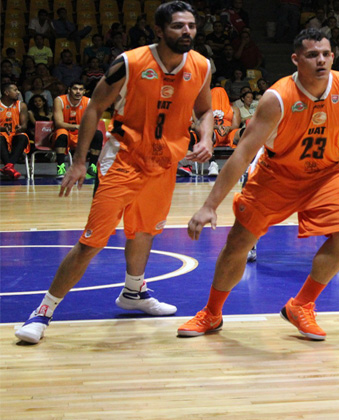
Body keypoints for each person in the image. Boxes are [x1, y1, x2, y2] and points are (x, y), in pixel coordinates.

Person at [15, 1, 215, 344]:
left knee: (145, 231)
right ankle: (42, 312)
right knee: (91, 242)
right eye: (178, 26)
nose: (187, 31)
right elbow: (95, 107)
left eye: (191, 26)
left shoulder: (202, 65)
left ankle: (134, 292)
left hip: (164, 163)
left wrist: (207, 137)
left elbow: (206, 109)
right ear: (159, 30)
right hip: (123, 159)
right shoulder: (130, 62)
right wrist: (80, 162)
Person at [177, 28, 339, 340]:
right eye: (312, 55)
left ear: (333, 56)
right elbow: (242, 154)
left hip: (326, 174)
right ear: (295, 59)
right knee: (238, 244)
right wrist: (209, 206)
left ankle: (301, 305)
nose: (321, 60)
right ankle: (211, 313)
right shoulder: (277, 98)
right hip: (276, 176)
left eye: (326, 54)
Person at [51, 81, 104, 179]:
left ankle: (92, 167)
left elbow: (92, 122)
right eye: (75, 89)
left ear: (84, 91)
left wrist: (84, 127)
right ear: (69, 90)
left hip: (81, 135)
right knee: (61, 133)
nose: (78, 92)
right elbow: (58, 123)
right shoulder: (59, 100)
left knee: (97, 134)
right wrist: (76, 127)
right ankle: (60, 167)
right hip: (65, 133)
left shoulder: (88, 102)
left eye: (81, 89)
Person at [207, 86, 241, 176]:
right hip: (214, 133)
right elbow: (204, 124)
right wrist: (216, 127)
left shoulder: (234, 109)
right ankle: (212, 163)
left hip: (229, 133)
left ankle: (247, 162)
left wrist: (228, 128)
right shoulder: (207, 109)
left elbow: (236, 125)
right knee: (207, 133)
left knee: (244, 132)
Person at [0, 83, 29, 179]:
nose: (18, 92)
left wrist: (20, 128)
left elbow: (24, 126)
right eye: (15, 90)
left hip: (14, 135)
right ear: (6, 92)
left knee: (23, 136)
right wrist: (3, 129)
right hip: (1, 135)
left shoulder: (21, 105)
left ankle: (9, 166)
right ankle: (10, 167)